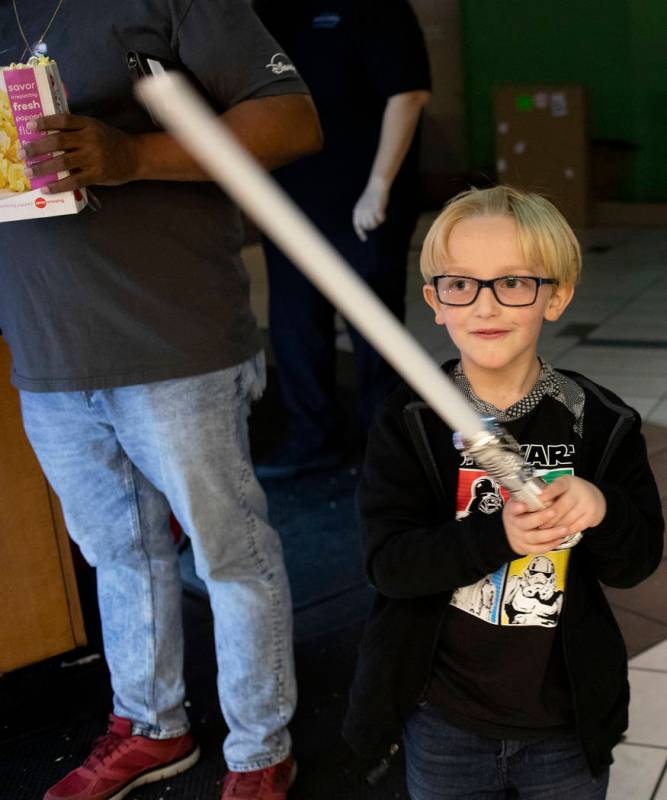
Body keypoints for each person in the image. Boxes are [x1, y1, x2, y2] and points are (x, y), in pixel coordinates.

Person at [0, 2, 323, 799]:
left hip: (173, 339)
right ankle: (151, 727)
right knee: (118, 556)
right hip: (46, 349)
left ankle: (258, 750)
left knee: (228, 557)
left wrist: (133, 156)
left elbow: (291, 121)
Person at [342, 186, 664, 798]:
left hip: (565, 726)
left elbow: (637, 558)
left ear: (557, 295)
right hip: (441, 720)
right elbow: (390, 565)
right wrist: (500, 535)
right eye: (460, 283)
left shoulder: (599, 420)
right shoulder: (407, 420)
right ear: (435, 300)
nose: (485, 305)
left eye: (513, 282)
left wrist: (600, 509)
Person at [254, 0, 431, 478]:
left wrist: (379, 186)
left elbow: (408, 94)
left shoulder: (373, 8)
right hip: (291, 202)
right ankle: (313, 441)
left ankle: (387, 451)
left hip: (364, 204)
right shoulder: (271, 11)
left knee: (375, 332)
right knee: (296, 329)